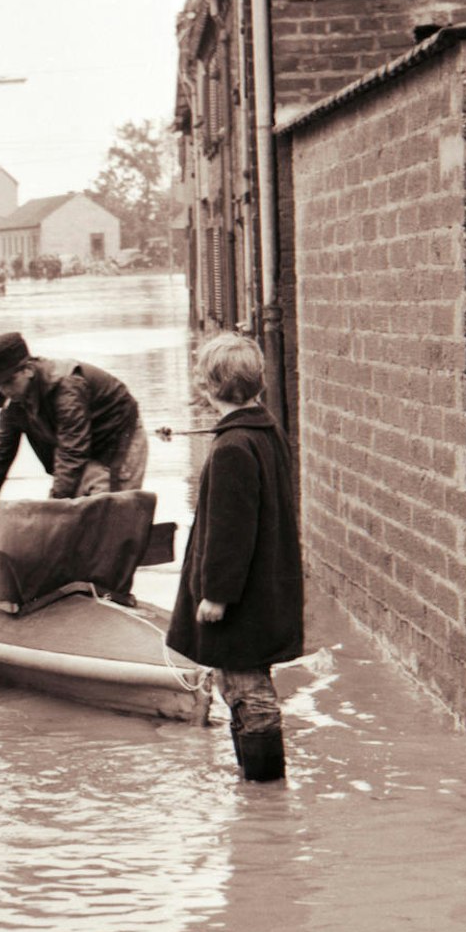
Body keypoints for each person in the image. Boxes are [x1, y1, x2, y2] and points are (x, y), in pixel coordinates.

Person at [166, 332, 304, 783]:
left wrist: (216, 595)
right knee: (239, 682)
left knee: (247, 688)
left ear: (207, 387)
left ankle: (265, 788)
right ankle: (255, 787)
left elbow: (230, 530)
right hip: (266, 582)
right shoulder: (264, 431)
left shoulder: (230, 449)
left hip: (241, 595)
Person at [0, 330, 147, 502]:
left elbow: (72, 451)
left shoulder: (66, 387)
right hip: (80, 444)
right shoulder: (13, 402)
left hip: (119, 439)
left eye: (9, 382)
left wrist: (55, 503)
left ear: (28, 369)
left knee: (115, 506)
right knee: (78, 510)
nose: (5, 390)